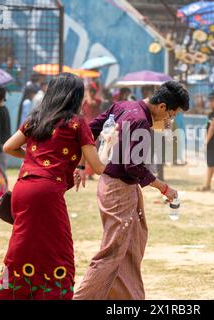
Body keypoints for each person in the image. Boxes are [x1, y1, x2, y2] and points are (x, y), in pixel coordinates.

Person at [0, 73, 116, 300]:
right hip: (46, 194)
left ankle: (5, 295)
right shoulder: (76, 122)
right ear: (75, 96)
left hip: (22, 189)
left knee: (22, 250)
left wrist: (35, 160)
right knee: (59, 254)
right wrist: (110, 143)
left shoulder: (36, 118)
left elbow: (8, 147)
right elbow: (98, 166)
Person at [74, 81, 189, 300]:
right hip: (118, 190)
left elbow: (89, 132)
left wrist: (81, 164)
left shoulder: (122, 106)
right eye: (170, 116)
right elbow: (133, 167)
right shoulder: (139, 121)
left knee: (132, 244)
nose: (168, 121)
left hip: (120, 187)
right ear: (162, 107)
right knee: (113, 251)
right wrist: (165, 188)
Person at [197, 93, 214, 192]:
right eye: (210, 101)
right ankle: (207, 185)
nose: (210, 103)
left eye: (213, 101)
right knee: (210, 164)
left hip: (212, 141)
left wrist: (206, 141)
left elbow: (212, 128)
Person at [0, 88, 11, 186]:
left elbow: (3, 131)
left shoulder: (0, 111)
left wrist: (0, 144)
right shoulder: (4, 110)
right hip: (2, 144)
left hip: (1, 145)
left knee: (0, 169)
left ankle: (2, 194)